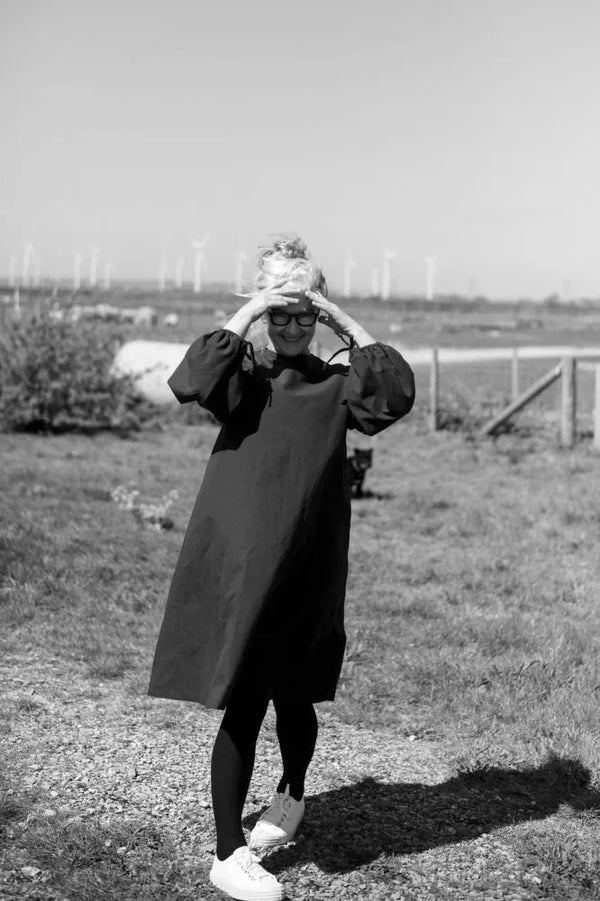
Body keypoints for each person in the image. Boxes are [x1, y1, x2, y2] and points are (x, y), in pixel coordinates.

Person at [148, 234, 415, 901]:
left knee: (298, 687)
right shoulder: (245, 374)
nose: (293, 325)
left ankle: (290, 793)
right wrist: (254, 306)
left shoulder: (334, 385)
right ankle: (226, 852)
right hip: (245, 555)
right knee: (245, 696)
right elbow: (192, 379)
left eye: (305, 314)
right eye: (281, 313)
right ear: (263, 312)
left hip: (311, 553)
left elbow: (393, 393)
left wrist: (339, 318)